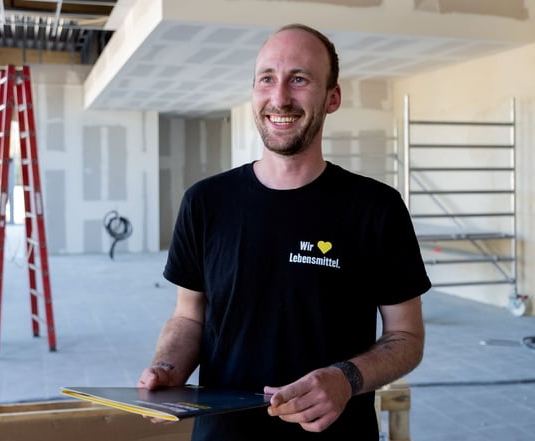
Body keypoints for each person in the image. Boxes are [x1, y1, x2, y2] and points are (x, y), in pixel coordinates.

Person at [137, 23, 431, 440]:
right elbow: (189, 317)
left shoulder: (376, 208)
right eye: (267, 79)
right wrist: (168, 368)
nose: (279, 98)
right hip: (223, 433)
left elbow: (407, 336)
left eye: (299, 79)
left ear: (332, 98)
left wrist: (346, 378)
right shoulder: (205, 202)